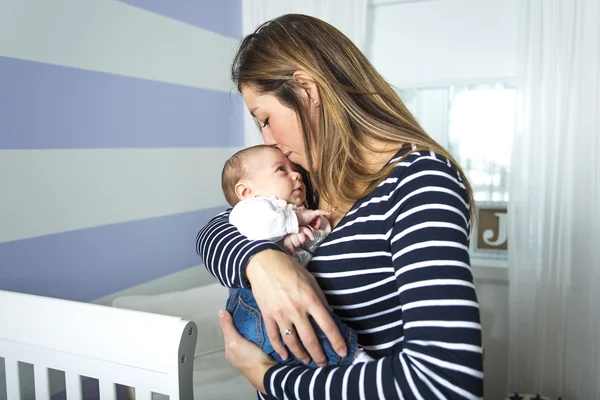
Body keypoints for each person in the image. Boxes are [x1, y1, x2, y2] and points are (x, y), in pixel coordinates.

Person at [196, 13, 484, 400]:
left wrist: (267, 378)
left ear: (306, 88)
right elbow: (215, 228)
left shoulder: (419, 180)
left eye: (265, 119)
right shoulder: (305, 182)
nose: (268, 140)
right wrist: (264, 263)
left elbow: (446, 382)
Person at [221, 144, 370, 367]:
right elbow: (263, 228)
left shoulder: (290, 211)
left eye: (293, 168)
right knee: (295, 335)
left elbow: (304, 248)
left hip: (285, 294)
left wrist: (318, 228)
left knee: (304, 332)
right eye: (281, 170)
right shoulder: (251, 208)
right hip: (252, 299)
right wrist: (299, 221)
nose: (297, 175)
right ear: (245, 191)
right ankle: (351, 357)